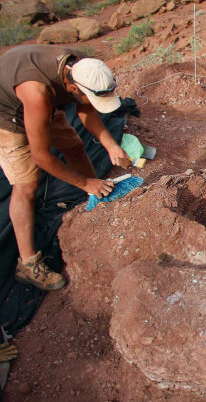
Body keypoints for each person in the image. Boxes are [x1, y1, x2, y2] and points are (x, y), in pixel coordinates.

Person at [0, 45, 130, 291]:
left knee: (74, 146)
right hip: (7, 115)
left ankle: (98, 196)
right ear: (71, 88)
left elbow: (86, 110)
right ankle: (27, 264)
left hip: (42, 103)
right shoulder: (37, 94)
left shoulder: (81, 68)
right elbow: (41, 156)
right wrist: (84, 182)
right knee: (27, 185)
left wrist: (112, 146)